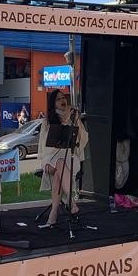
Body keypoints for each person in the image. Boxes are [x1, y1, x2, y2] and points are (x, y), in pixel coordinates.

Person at [37, 89, 89, 227]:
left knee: (60, 166)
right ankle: (69, 203)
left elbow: (83, 138)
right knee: (58, 166)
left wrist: (73, 120)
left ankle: (54, 213)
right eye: (58, 99)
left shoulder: (74, 117)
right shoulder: (47, 121)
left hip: (70, 158)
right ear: (53, 103)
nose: (62, 101)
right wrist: (44, 162)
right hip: (51, 158)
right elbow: (43, 144)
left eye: (63, 98)